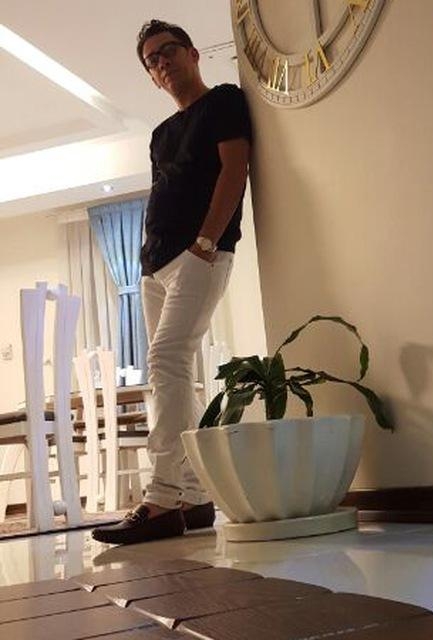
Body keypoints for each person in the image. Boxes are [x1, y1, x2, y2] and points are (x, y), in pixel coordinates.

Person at [93, 19, 251, 545]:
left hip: (200, 254)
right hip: (153, 266)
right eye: (152, 61)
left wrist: (205, 242)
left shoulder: (223, 101)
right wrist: (149, 260)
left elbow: (234, 170)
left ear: (192, 53)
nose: (161, 63)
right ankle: (194, 496)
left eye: (168, 52)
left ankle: (160, 497)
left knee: (165, 360)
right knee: (169, 374)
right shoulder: (161, 134)